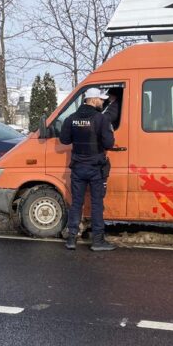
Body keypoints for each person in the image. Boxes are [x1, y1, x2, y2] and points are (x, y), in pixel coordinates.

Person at [59, 87, 116, 252]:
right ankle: (98, 241)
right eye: (100, 99)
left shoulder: (71, 118)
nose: (103, 101)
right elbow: (109, 144)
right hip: (95, 168)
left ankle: (71, 239)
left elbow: (64, 139)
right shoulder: (101, 119)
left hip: (77, 168)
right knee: (97, 204)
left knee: (76, 203)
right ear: (92, 100)